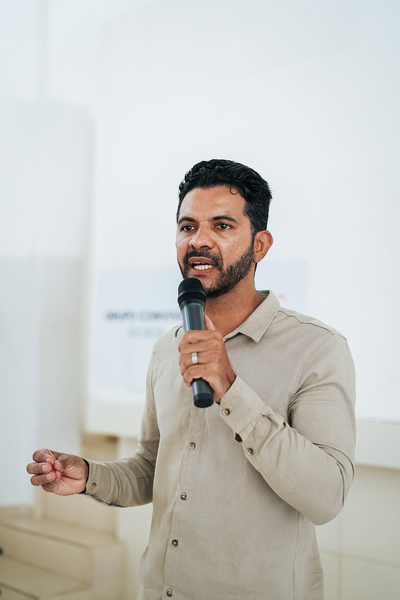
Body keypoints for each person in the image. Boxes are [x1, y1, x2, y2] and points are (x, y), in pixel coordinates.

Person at [27, 159, 356, 600]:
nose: (198, 241)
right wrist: (89, 476)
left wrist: (232, 390)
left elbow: (327, 497)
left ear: (260, 245)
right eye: (187, 227)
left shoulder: (316, 348)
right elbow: (153, 467)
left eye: (222, 225)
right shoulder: (167, 348)